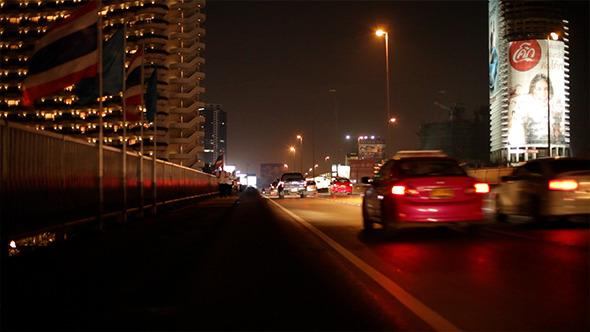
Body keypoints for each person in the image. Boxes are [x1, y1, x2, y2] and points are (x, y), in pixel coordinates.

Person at [508, 73, 565, 146]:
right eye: (539, 89)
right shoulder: (525, 104)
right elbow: (517, 134)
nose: (543, 93)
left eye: (546, 89)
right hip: (530, 150)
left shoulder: (556, 105)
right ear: (533, 90)